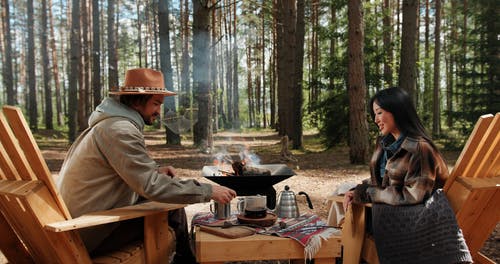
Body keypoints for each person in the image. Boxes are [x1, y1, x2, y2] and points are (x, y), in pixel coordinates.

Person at [56, 68, 236, 263]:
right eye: (156, 103)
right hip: (90, 231)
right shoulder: (119, 130)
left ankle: (186, 259)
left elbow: (120, 170)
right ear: (136, 101)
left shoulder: (110, 124)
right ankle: (188, 260)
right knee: (169, 206)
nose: (159, 111)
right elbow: (151, 186)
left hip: (86, 222)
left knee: (172, 205)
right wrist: (208, 191)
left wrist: (156, 171)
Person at [343, 87, 472, 263]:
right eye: (374, 114)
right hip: (391, 205)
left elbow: (412, 194)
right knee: (343, 192)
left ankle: (342, 256)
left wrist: (368, 193)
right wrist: (357, 190)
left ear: (397, 110)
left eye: (379, 112)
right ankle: (337, 254)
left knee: (348, 214)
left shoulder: (420, 148)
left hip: (413, 219)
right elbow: (382, 181)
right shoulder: (384, 143)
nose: (376, 120)